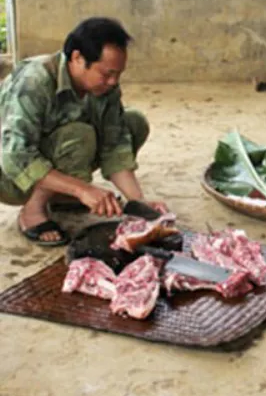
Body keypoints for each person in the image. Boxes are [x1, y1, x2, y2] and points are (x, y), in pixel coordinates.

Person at [0, 17, 167, 246]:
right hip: (10, 177)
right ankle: (33, 211)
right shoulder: (35, 80)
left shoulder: (106, 88)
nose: (113, 82)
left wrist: (138, 201)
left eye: (118, 74)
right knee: (79, 135)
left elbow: (115, 146)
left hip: (47, 158)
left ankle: (61, 196)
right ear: (78, 58)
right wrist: (82, 190)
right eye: (106, 74)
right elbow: (14, 156)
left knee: (134, 122)